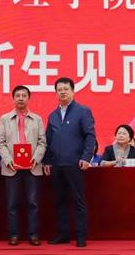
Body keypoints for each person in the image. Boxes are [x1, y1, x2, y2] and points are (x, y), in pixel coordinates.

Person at [44, 77, 95, 248]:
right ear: (56, 93)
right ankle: (63, 234)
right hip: (56, 164)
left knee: (78, 200)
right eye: (59, 90)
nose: (63, 92)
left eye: (66, 89)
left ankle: (81, 236)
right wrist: (47, 161)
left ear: (73, 91)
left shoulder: (83, 111)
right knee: (60, 200)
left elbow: (90, 136)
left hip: (75, 163)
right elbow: (48, 139)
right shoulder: (53, 115)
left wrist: (86, 157)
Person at [0, 85, 46, 246]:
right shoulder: (4, 119)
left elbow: (42, 142)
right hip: (12, 167)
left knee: (33, 203)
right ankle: (13, 234)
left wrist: (36, 159)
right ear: (13, 98)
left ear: (28, 98)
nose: (20, 98)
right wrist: (8, 160)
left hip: (32, 167)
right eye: (17, 95)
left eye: (24, 95)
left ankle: (33, 234)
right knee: (12, 203)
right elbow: (1, 142)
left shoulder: (37, 119)